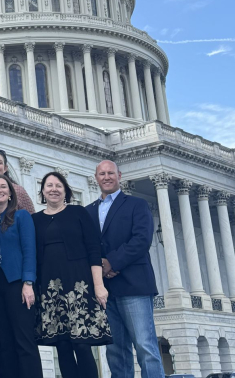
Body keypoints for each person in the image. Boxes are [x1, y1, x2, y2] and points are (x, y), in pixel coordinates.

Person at [86, 161, 163, 377]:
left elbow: (141, 239)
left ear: (119, 175)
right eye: (102, 173)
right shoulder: (88, 211)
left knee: (145, 347)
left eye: (111, 173)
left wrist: (111, 262)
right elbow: (85, 245)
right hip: (105, 290)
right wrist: (101, 269)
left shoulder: (136, 204)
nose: (107, 177)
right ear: (96, 177)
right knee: (115, 351)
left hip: (134, 284)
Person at [34, 172, 111, 378]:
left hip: (79, 286)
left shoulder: (78, 213)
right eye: (49, 185)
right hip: (50, 289)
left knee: (82, 344)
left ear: (65, 190)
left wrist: (99, 285)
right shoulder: (35, 219)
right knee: (62, 345)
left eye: (58, 185)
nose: (53, 189)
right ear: (42, 191)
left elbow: (94, 250)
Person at [0, 174, 43, 377]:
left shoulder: (20, 216)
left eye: (3, 186)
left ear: (10, 192)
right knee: (2, 340)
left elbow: (29, 250)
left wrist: (28, 283)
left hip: (16, 282)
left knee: (23, 340)